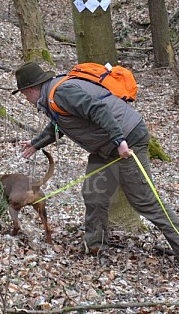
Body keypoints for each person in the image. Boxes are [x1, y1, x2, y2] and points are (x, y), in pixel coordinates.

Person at [13, 61, 179, 256]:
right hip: (105, 147)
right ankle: (95, 246)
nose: (25, 98)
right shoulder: (51, 97)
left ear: (31, 89)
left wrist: (120, 140)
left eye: (24, 94)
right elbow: (59, 124)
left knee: (143, 200)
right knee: (94, 193)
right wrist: (36, 143)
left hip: (126, 139)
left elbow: (98, 109)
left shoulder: (62, 92)